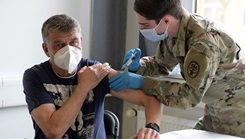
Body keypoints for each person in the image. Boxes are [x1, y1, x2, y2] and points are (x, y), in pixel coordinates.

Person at [109, 0, 245, 138]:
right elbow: (161, 65)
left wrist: (142, 82)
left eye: (146, 25)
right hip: (215, 113)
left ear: (166, 20)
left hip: (237, 118)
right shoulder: (176, 31)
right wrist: (138, 66)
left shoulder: (203, 43)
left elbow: (187, 97)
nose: (142, 30)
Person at [22, 14, 163, 139]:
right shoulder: (35, 76)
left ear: (81, 42)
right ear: (46, 49)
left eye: (73, 42)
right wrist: (84, 86)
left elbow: (151, 97)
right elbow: (54, 132)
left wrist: (152, 128)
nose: (69, 50)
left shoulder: (95, 70)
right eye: (59, 45)